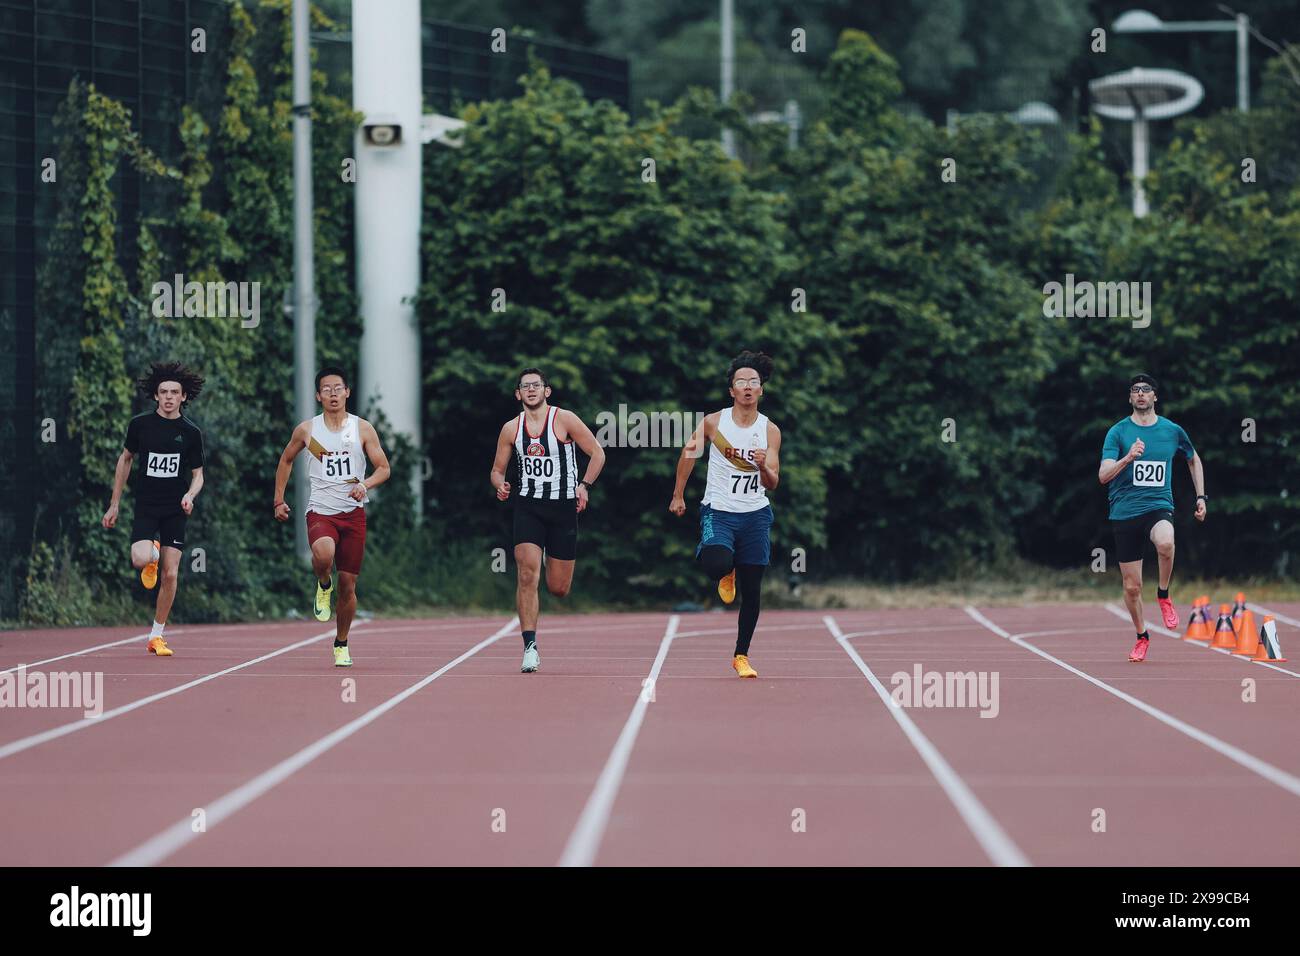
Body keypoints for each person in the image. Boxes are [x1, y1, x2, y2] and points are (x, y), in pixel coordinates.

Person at [669, 350, 781, 679]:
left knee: (753, 590)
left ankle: (741, 655)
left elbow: (772, 482)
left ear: (761, 390)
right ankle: (726, 567)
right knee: (716, 563)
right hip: (718, 510)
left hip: (756, 515)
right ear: (731, 390)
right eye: (741, 382)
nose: (747, 387)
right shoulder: (714, 423)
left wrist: (762, 465)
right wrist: (678, 494)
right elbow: (688, 455)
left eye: (753, 382)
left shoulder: (770, 431)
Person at [489, 368, 606, 673]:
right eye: (525, 386)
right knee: (527, 575)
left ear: (546, 391)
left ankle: (552, 569)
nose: (530, 390)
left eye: (536, 385)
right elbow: (497, 470)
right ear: (518, 394)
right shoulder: (510, 429)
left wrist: (584, 486)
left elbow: (597, 453)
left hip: (563, 508)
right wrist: (499, 484)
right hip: (528, 507)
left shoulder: (564, 419)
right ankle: (530, 646)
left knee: (558, 588)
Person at [273, 367, 391, 667]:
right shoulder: (308, 431)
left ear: (348, 392)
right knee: (324, 554)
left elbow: (384, 468)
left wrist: (364, 485)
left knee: (349, 585)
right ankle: (323, 583)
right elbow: (286, 459)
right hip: (321, 510)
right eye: (326, 389)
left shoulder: (362, 429)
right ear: (318, 395)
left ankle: (341, 642)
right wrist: (278, 500)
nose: (333, 394)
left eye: (338, 388)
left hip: (353, 514)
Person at [1098, 373, 1206, 662]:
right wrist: (1128, 458)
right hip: (1124, 512)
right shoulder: (1117, 433)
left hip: (1158, 506)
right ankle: (1142, 635)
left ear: (1155, 396)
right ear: (1130, 398)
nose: (1141, 394)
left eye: (1147, 389)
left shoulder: (1172, 431)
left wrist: (1201, 497)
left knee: (1166, 543)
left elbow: (1193, 459)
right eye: (1136, 390)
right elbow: (1103, 476)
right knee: (1132, 587)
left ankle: (1163, 593)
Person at [101, 362, 206, 657]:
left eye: (175, 392)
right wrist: (114, 503)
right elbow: (125, 460)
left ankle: (156, 636)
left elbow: (198, 474)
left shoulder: (190, 433)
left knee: (170, 576)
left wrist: (190, 494)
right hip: (146, 506)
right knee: (139, 558)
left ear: (184, 396)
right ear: (156, 396)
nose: (169, 397)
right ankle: (154, 554)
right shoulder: (140, 425)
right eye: (164, 392)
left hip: (175, 508)